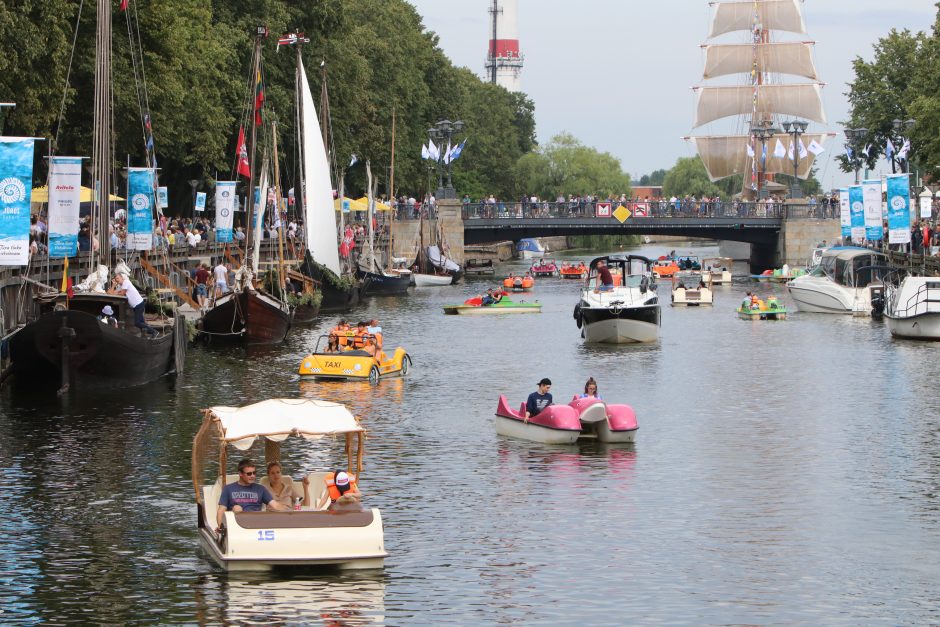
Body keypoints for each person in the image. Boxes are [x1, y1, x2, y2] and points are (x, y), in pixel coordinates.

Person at [216, 458, 288, 533]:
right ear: (240, 474)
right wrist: (220, 527)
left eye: (254, 473)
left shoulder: (260, 488)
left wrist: (291, 512)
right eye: (249, 474)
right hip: (236, 526)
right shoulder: (228, 488)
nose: (252, 476)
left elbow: (275, 505)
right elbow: (221, 510)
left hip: (256, 524)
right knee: (237, 508)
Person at [108, 271, 157, 337]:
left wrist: (113, 293)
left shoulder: (126, 282)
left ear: (122, 278)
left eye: (118, 278)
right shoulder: (121, 286)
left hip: (139, 304)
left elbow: (122, 293)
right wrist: (113, 285)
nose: (117, 280)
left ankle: (154, 332)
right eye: (116, 279)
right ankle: (147, 334)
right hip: (136, 305)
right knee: (141, 322)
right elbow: (109, 292)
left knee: (137, 323)